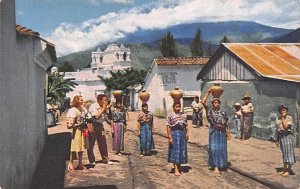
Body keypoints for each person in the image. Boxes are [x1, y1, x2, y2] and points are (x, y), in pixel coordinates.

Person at [87, 94, 113, 165]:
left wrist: (109, 109)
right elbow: (96, 116)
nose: (106, 102)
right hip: (92, 124)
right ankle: (92, 161)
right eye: (104, 100)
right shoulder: (94, 106)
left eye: (106, 100)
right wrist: (104, 108)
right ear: (99, 100)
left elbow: (109, 119)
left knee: (103, 142)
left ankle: (105, 159)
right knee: (91, 143)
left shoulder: (104, 107)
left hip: (100, 125)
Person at [207, 97, 230, 175]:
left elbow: (226, 121)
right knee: (214, 148)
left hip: (222, 132)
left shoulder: (223, 111)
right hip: (214, 131)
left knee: (222, 148)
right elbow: (210, 120)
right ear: (212, 103)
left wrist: (227, 132)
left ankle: (221, 164)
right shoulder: (210, 111)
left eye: (217, 102)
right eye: (214, 102)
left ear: (219, 103)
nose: (216, 104)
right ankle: (215, 166)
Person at [66, 95, 89, 171]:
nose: (82, 101)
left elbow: (86, 117)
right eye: (80, 100)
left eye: (82, 100)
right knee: (73, 147)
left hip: (83, 130)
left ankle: (80, 163)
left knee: (81, 147)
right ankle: (70, 163)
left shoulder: (83, 109)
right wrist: (77, 124)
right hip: (76, 130)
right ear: (76, 101)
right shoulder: (73, 110)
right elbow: (69, 124)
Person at [167, 102, 189, 176]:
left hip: (182, 134)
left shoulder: (183, 115)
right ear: (173, 107)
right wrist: (170, 137)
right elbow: (168, 127)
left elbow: (186, 125)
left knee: (181, 150)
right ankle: (176, 169)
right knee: (175, 151)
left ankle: (179, 167)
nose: (178, 108)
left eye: (179, 106)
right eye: (176, 107)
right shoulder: (170, 115)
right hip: (174, 134)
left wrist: (187, 134)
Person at [275, 104, 296, 177]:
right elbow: (277, 130)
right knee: (284, 153)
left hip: (287, 136)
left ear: (287, 111)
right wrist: (277, 140)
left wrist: (283, 118)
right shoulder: (278, 118)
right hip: (281, 136)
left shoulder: (289, 118)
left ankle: (288, 169)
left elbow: (286, 127)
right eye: (281, 110)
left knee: (289, 153)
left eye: (284, 110)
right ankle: (284, 169)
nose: (282, 111)